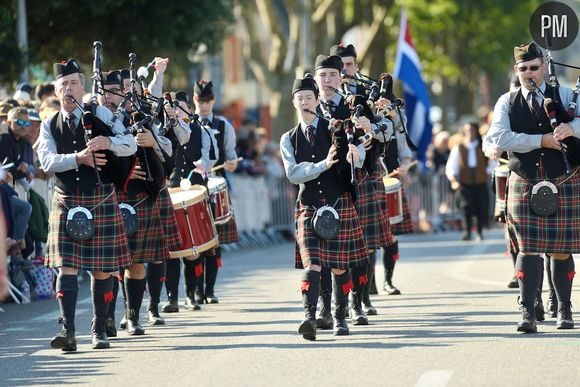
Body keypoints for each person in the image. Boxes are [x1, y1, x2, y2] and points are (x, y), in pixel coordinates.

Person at [37, 59, 136, 350]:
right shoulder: (49, 124)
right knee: (65, 268)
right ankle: (68, 330)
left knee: (101, 269)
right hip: (67, 201)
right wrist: (77, 159)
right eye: (63, 84)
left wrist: (108, 141)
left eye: (74, 83)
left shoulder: (101, 113)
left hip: (100, 197)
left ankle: (99, 328)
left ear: (83, 88)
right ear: (56, 91)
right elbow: (47, 161)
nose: (69, 89)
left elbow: (130, 143)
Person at [484, 42, 580, 333]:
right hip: (523, 181)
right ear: (516, 70)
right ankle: (527, 312)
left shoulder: (566, 95)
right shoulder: (507, 101)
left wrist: (573, 128)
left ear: (545, 67)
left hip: (562, 179)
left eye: (534, 68)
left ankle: (564, 309)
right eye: (523, 69)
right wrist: (541, 141)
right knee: (527, 249)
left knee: (561, 250)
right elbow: (499, 137)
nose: (529, 73)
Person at [280, 75, 369, 340]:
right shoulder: (288, 138)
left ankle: (341, 317)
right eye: (300, 98)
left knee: (340, 267)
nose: (305, 102)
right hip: (308, 206)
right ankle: (309, 318)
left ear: (317, 101)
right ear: (293, 103)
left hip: (337, 203)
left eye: (309, 97)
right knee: (313, 264)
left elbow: (358, 153)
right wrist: (322, 165)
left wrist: (357, 155)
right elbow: (293, 174)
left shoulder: (334, 128)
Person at [163, 87, 218, 312]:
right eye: (174, 107)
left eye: (181, 107)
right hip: (173, 192)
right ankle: (172, 298)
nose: (178, 111)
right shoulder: (164, 130)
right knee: (172, 250)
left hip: (195, 190)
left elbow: (211, 157)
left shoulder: (200, 130)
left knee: (194, 247)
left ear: (188, 108)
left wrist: (202, 166)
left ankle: (192, 295)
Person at [192, 80, 239, 305]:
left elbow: (231, 157)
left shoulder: (223, 125)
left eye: (207, 101)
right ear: (194, 100)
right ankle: (195, 292)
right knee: (195, 243)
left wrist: (231, 164)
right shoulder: (187, 124)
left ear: (214, 100)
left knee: (214, 243)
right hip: (192, 189)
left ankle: (209, 290)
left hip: (217, 186)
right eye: (200, 101)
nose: (204, 105)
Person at [446, 122, 493, 241]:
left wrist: (487, 172)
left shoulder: (483, 146)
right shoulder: (459, 147)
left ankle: (479, 231)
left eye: (472, 130)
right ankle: (467, 231)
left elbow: (492, 162)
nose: (470, 133)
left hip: (480, 182)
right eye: (467, 131)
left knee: (481, 208)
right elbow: (452, 166)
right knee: (466, 207)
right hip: (465, 183)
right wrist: (454, 180)